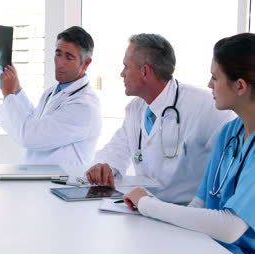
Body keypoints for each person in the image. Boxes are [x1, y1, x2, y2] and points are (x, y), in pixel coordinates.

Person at [124, 33, 255, 254]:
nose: (209, 84)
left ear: (240, 86)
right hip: (210, 250)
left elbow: (231, 227)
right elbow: (200, 203)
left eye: (215, 77)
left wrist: (147, 204)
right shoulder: (228, 133)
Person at [86, 33, 235, 204]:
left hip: (186, 215)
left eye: (126, 67)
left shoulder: (207, 106)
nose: (122, 74)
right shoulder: (135, 108)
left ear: (145, 71)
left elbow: (230, 167)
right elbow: (117, 148)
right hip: (144, 208)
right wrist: (105, 166)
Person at [0, 26, 101, 166]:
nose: (60, 63)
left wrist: (9, 95)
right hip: (38, 177)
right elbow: (35, 121)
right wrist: (17, 91)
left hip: (61, 182)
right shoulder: (53, 91)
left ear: (86, 63)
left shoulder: (84, 106)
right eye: (58, 54)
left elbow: (30, 137)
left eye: (69, 57)